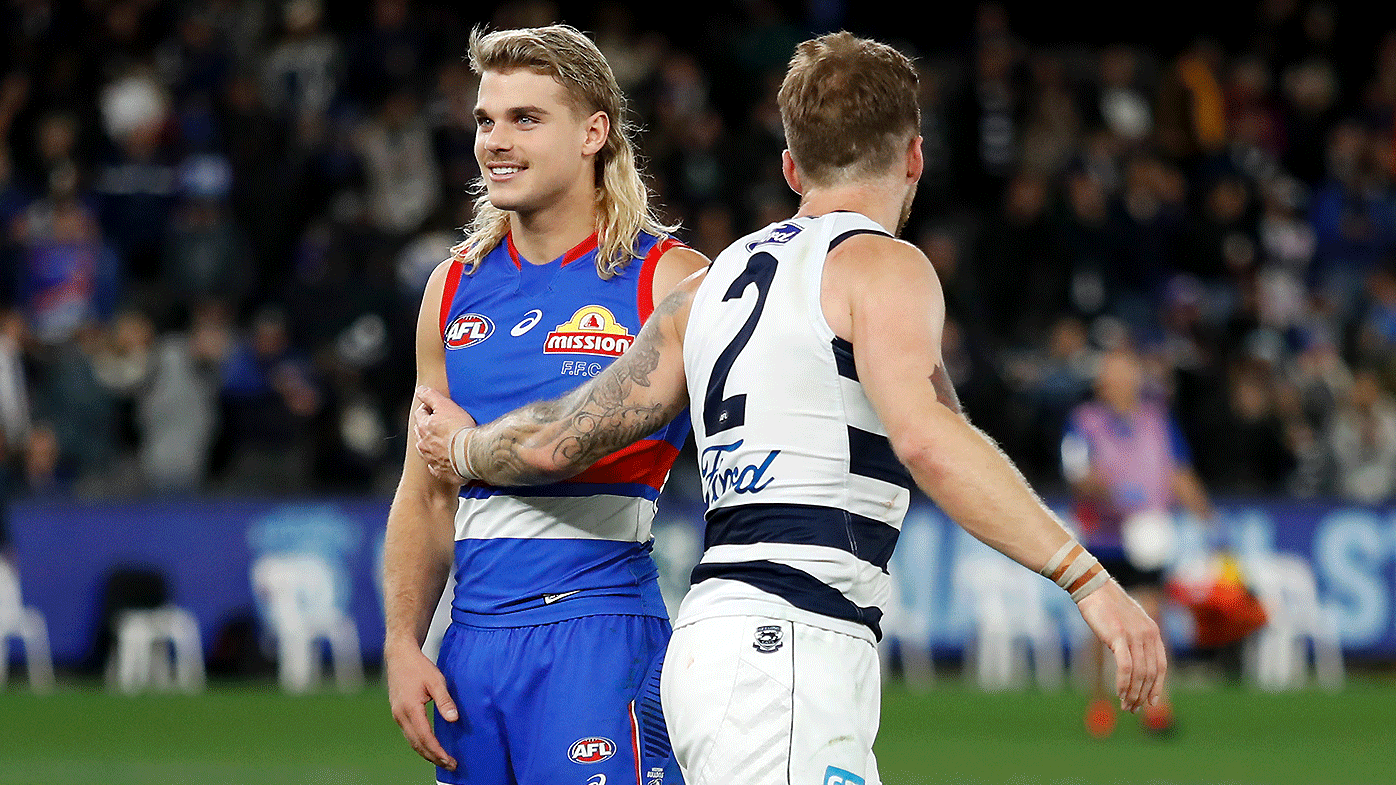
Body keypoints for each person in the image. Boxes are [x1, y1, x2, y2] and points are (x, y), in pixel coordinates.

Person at [413, 32, 1166, 785]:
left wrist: (468, 449)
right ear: (914, 159)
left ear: (791, 166)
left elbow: (561, 440)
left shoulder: (710, 285)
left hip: (715, 644)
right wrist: (1086, 579)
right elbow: (931, 438)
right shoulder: (881, 265)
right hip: (791, 642)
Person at [381, 25, 708, 785]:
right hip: (470, 655)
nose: (496, 140)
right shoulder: (451, 288)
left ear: (595, 132)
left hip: (598, 642)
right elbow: (426, 491)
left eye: (526, 119)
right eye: (486, 121)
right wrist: (403, 642)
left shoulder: (670, 279)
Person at [1061, 344, 1213, 737]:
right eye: (1109, 375)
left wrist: (1206, 515)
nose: (1114, 382)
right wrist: (1114, 494)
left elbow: (1178, 471)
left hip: (1148, 538)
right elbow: (1078, 476)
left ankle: (1156, 705)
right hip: (1104, 537)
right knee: (1101, 627)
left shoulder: (1157, 421)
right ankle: (1099, 702)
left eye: (1122, 374)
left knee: (1152, 618)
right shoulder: (1084, 422)